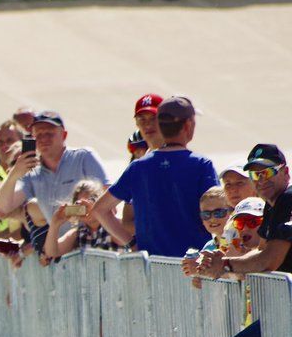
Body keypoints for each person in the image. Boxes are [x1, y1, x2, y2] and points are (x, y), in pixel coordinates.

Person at [200, 144, 292, 337]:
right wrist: (218, 262)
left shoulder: (288, 200)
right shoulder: (274, 207)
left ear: (286, 172)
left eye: (267, 172)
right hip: (284, 306)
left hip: (287, 305)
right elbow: (259, 252)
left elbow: (269, 259)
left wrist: (226, 265)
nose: (260, 180)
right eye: (254, 174)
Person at [91, 96, 217, 257]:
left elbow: (100, 209)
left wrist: (131, 243)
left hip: (153, 267)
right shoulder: (201, 165)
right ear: (188, 125)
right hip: (194, 266)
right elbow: (218, 210)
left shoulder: (137, 167)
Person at [0, 111, 110, 228]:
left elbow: (107, 199)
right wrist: (14, 175)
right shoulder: (32, 171)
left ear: (64, 135)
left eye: (49, 133)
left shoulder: (83, 157)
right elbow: (4, 207)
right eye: (39, 135)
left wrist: (67, 212)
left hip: (91, 240)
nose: (44, 139)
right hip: (59, 244)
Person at [42, 180, 120, 258]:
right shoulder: (77, 234)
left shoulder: (111, 226)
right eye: (80, 205)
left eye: (88, 203)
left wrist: (103, 212)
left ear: (99, 201)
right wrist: (55, 224)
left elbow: (124, 239)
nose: (84, 208)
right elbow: (51, 252)